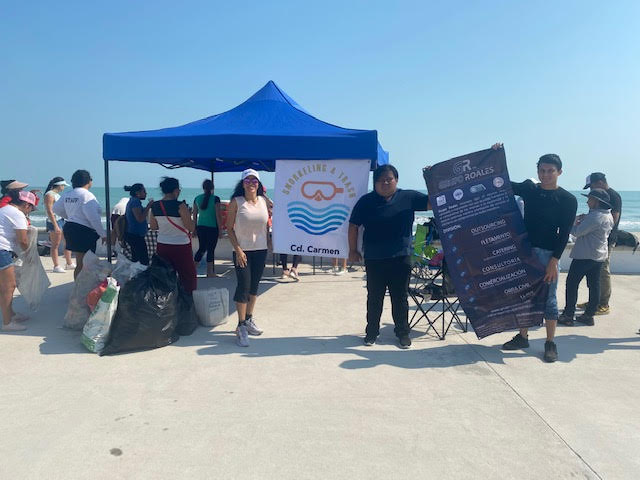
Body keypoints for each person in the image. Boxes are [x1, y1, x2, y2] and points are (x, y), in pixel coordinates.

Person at [499, 147, 578, 362]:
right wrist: (496, 154)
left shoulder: (567, 199)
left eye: (550, 171)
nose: (545, 175)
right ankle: (523, 336)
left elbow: (564, 234)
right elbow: (502, 182)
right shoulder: (529, 189)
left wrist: (554, 260)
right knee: (524, 296)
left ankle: (549, 342)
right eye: (542, 170)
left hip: (547, 254)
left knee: (548, 300)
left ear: (559, 172)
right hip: (525, 251)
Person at [348, 164, 431, 349]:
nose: (385, 183)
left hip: (400, 257)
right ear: (375, 183)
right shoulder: (366, 201)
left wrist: (431, 178)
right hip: (374, 258)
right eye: (380, 180)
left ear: (396, 180)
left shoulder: (409, 197)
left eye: (389, 179)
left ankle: (402, 333)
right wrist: (352, 250)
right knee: (374, 297)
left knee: (399, 297)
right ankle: (371, 332)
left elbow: (432, 203)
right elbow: (353, 225)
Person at [226, 169, 270, 347]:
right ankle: (241, 325)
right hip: (242, 251)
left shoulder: (263, 201)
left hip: (261, 250)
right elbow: (229, 228)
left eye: (255, 181)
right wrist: (238, 249)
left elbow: (271, 220)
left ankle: (249, 319)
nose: (251, 184)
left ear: (259, 185)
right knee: (243, 286)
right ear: (242, 183)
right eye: (248, 181)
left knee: (254, 287)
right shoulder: (236, 202)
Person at [559, 189, 614, 327]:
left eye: (590, 199)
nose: (587, 201)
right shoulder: (607, 216)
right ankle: (589, 315)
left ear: (596, 201)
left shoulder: (595, 217)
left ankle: (568, 314)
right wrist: (583, 219)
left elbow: (576, 232)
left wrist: (574, 221)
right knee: (594, 285)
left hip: (585, 255)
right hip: (599, 255)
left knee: (572, 284)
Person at [577, 172, 622, 315]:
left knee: (603, 271)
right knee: (593, 273)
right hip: (596, 241)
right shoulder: (598, 196)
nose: (591, 190)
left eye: (592, 186)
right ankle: (594, 301)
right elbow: (595, 215)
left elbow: (612, 220)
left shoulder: (613, 196)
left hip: (606, 240)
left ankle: (603, 303)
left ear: (601, 182)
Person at [53, 170, 107, 279]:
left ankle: (78, 287)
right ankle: (82, 289)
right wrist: (103, 234)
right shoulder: (87, 195)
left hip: (70, 227)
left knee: (80, 262)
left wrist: (71, 216)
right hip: (83, 231)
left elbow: (56, 209)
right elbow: (93, 218)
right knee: (86, 263)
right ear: (88, 181)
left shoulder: (67, 194)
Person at [149, 177, 196, 292]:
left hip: (163, 245)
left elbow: (154, 227)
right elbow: (190, 227)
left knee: (165, 275)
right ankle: (187, 302)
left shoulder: (155, 206)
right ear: (176, 190)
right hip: (181, 246)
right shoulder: (180, 206)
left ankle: (167, 300)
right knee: (188, 276)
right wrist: (190, 214)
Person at [0, 191, 37, 331]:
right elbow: (23, 240)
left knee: (3, 287)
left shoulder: (4, 209)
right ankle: (7, 323)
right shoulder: (18, 214)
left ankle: (11, 314)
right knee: (9, 287)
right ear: (26, 204)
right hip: (2, 250)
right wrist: (29, 255)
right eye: (31, 209)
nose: (30, 212)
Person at [43, 177, 74, 273]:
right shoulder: (49, 195)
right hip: (54, 221)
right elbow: (49, 211)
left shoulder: (56, 195)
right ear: (59, 185)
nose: (64, 187)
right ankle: (56, 266)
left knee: (67, 241)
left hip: (61, 220)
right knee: (55, 244)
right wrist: (55, 225)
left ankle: (69, 263)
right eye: (63, 185)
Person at [193, 179, 222, 277]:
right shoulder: (216, 199)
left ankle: (192, 270)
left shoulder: (197, 198)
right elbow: (218, 216)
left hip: (200, 227)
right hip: (212, 227)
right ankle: (210, 272)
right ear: (212, 188)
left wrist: (194, 229)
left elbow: (194, 215)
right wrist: (221, 230)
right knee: (211, 250)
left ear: (203, 188)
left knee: (201, 248)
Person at [124, 183, 153, 265]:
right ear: (138, 193)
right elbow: (140, 218)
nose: (146, 193)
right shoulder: (135, 202)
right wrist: (148, 206)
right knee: (143, 261)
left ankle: (135, 276)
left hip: (133, 235)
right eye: (144, 191)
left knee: (136, 260)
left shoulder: (134, 201)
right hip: (135, 236)